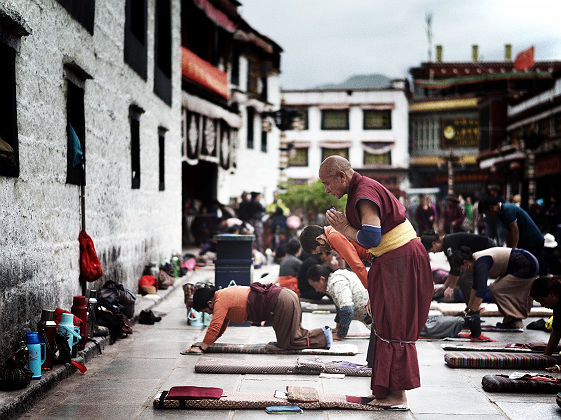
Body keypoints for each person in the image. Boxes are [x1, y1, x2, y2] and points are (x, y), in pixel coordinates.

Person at [319, 156, 433, 409]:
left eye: (328, 183)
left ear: (341, 176)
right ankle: (385, 392)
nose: (327, 190)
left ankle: (397, 395)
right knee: (385, 323)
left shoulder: (364, 191)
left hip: (401, 260)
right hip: (392, 260)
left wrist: (344, 229)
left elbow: (371, 236)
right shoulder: (360, 189)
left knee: (395, 324)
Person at [185, 283, 331, 353]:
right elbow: (220, 327)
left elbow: (215, 326)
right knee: (292, 336)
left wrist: (202, 347)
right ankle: (322, 335)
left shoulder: (220, 301)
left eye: (206, 311)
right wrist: (206, 344)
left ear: (209, 303)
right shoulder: (222, 295)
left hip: (282, 301)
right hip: (285, 297)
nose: (209, 314)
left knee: (288, 343)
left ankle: (323, 336)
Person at [451, 246, 539, 329]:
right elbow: (475, 287)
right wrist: (468, 309)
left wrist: (473, 313)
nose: (463, 271)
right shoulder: (476, 261)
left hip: (527, 264)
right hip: (522, 263)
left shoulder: (481, 262)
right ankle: (511, 319)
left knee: (496, 290)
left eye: (462, 269)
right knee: (497, 288)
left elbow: (481, 290)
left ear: (466, 262)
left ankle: (515, 319)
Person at [421, 231, 496, 303]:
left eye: (432, 250)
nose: (434, 253)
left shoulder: (448, 244)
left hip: (488, 249)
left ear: (434, 243)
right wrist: (445, 286)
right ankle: (471, 308)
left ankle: (473, 309)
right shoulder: (447, 245)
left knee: (465, 280)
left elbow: (456, 270)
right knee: (464, 279)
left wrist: (450, 288)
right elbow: (453, 269)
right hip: (480, 254)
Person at [478, 196, 546, 275]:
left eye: (486, 213)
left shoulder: (507, 210)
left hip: (533, 241)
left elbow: (515, 230)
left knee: (536, 269)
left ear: (491, 208)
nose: (488, 216)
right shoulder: (501, 213)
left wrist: (513, 251)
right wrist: (508, 251)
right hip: (527, 242)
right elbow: (508, 231)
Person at [307, 265, 370, 340]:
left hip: (376, 320)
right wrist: (338, 328)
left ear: (322, 279)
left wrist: (340, 335)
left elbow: (347, 309)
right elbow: (340, 305)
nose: (316, 290)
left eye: (315, 286)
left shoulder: (336, 282)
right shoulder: (335, 279)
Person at [299, 224, 370, 287]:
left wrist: (369, 286)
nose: (323, 252)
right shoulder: (332, 232)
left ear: (320, 240)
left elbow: (356, 264)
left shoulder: (333, 236)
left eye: (320, 250)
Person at [529, 275, 561, 362]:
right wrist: (546, 358)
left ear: (551, 294)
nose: (543, 306)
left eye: (542, 301)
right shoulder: (557, 303)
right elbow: (557, 332)